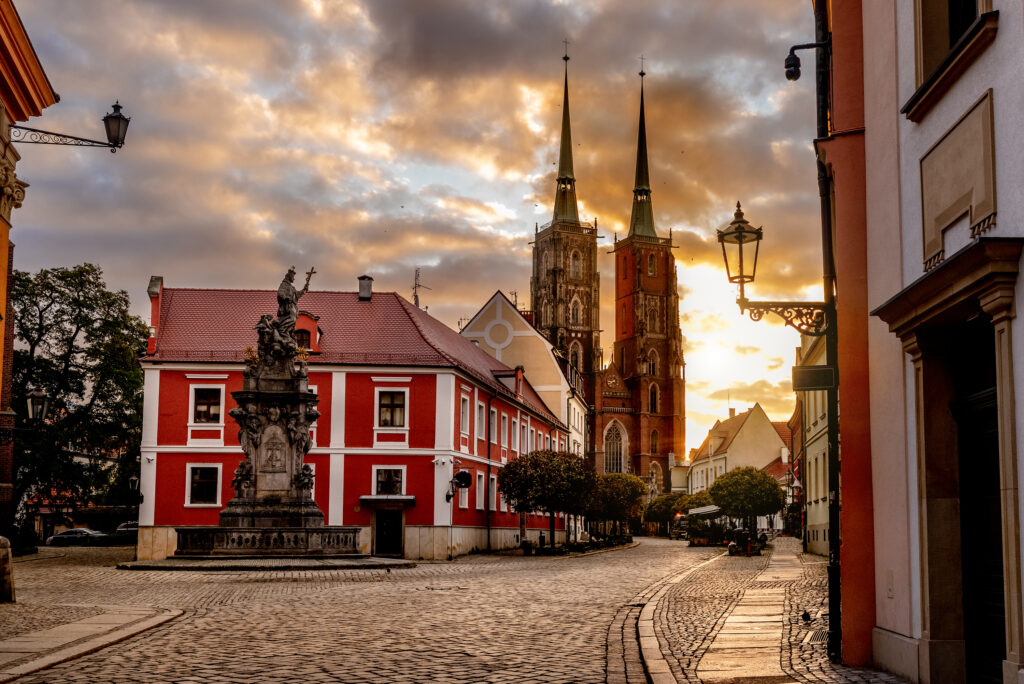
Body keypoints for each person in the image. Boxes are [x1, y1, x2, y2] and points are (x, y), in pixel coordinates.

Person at [276, 267, 309, 337]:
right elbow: (280, 293)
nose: (294, 279)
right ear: (289, 277)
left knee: (293, 321)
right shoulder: (284, 284)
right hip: (287, 307)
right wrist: (286, 298)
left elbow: (297, 295)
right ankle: (282, 330)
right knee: (292, 319)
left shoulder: (291, 287)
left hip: (293, 307)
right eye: (293, 277)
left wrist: (304, 289)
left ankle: (286, 332)